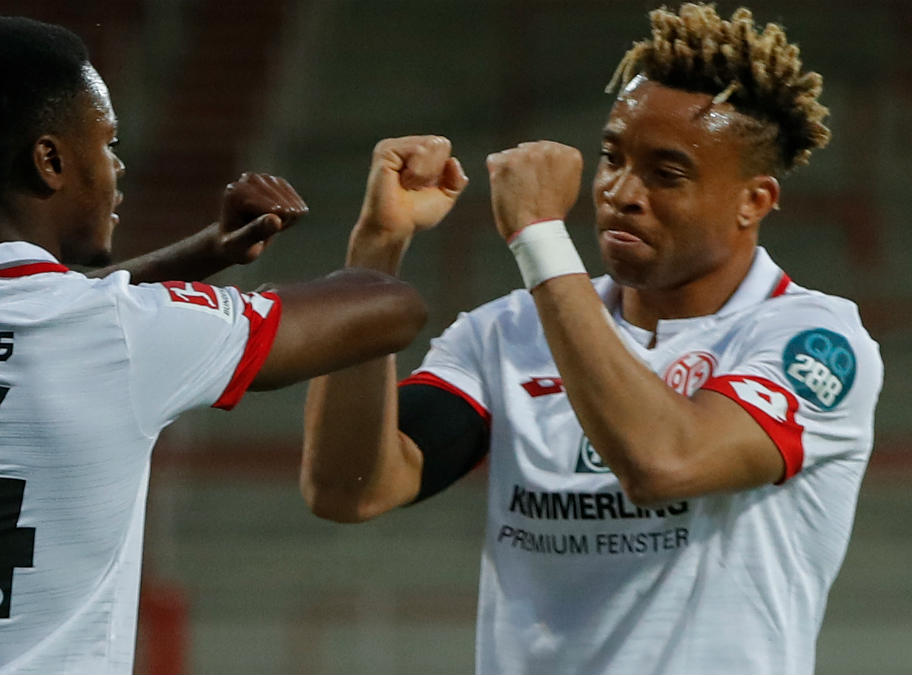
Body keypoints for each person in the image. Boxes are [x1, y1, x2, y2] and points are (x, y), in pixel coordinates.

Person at [0, 16, 427, 675]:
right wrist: (385, 228)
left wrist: (207, 253)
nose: (118, 167)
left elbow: (46, 310)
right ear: (51, 160)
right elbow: (393, 310)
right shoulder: (116, 334)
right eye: (107, 142)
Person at [302, 4, 882, 674]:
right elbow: (351, 487)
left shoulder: (812, 340)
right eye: (612, 158)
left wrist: (539, 237)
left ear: (753, 201)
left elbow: (664, 462)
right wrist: (374, 254)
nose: (619, 192)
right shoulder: (509, 333)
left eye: (666, 173)